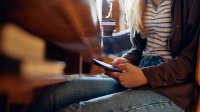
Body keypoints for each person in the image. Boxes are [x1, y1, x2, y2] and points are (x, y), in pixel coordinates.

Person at [29, 0, 200, 112]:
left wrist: (144, 76)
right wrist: (126, 60)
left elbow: (189, 62)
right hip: (141, 77)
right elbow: (139, 48)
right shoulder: (140, 3)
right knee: (55, 94)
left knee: (76, 109)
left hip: (173, 91)